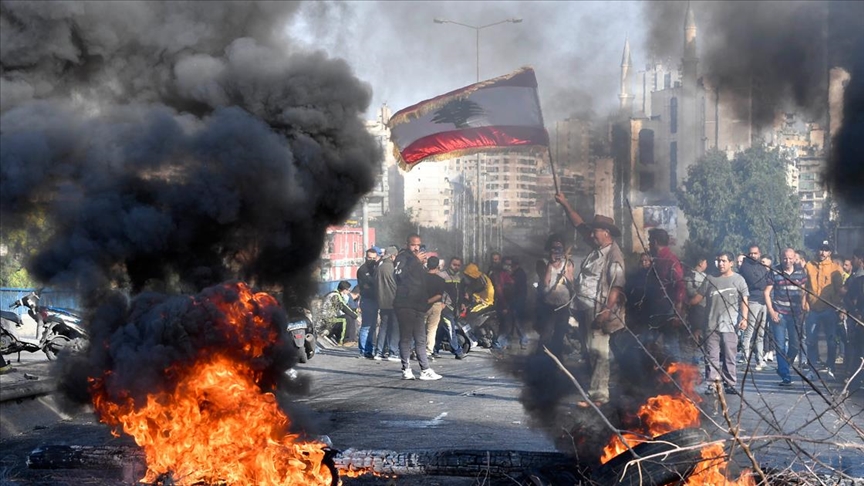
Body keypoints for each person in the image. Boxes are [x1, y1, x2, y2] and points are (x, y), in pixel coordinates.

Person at [554, 193, 627, 407]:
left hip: (599, 311)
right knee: (589, 351)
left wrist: (606, 312)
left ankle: (599, 397)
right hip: (584, 308)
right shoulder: (598, 248)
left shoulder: (614, 256)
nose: (591, 234)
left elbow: (616, 286)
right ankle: (595, 392)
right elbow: (580, 225)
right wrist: (565, 203)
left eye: (595, 231)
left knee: (599, 352)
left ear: (606, 233)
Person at [690, 251, 749, 396]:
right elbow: (698, 298)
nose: (720, 264)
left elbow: (744, 301)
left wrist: (744, 318)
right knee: (712, 356)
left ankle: (730, 384)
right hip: (711, 325)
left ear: (731, 263)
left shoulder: (738, 280)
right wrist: (682, 303)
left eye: (723, 261)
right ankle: (712, 384)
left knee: (729, 355)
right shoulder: (710, 279)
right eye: (718, 261)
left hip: (730, 325)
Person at [393, 234, 442, 381]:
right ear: (407, 244)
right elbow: (399, 275)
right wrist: (415, 261)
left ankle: (425, 369)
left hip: (418, 305)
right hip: (405, 304)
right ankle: (406, 368)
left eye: (418, 245)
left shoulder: (419, 262)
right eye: (413, 245)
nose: (416, 248)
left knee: (421, 338)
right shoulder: (402, 258)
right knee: (406, 337)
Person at [764, 248, 809, 386]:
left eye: (790, 258)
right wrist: (771, 311)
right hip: (780, 313)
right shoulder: (775, 271)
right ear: (781, 258)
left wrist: (803, 305)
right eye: (785, 258)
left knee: (795, 344)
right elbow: (767, 293)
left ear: (794, 258)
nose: (787, 261)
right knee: (780, 344)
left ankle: (785, 365)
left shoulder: (801, 272)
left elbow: (804, 290)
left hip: (795, 314)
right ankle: (785, 375)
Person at [803, 240, 845, 378]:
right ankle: (812, 368)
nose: (823, 252)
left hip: (829, 309)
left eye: (826, 250)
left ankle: (830, 367)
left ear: (830, 252)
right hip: (813, 309)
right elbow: (804, 286)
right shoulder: (809, 266)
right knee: (811, 340)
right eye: (821, 249)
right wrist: (805, 302)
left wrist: (837, 305)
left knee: (831, 340)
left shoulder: (835, 268)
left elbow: (839, 290)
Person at [644, 229, 686, 360]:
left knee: (670, 344)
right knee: (649, 344)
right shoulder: (656, 260)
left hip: (667, 310)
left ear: (655, 242)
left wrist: (677, 312)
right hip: (654, 309)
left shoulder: (671, 260)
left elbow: (680, 285)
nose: (649, 244)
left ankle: (677, 370)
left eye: (650, 241)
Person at [536, 234, 576, 358]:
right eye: (554, 248)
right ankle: (541, 355)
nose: (556, 251)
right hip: (549, 303)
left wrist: (566, 276)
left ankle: (557, 356)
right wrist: (551, 264)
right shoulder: (545, 263)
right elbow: (545, 282)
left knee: (560, 331)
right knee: (546, 331)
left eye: (559, 248)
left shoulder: (568, 264)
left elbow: (572, 284)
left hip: (563, 303)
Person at [738, 244, 771, 370]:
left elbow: (767, 280)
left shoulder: (761, 266)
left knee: (761, 333)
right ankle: (745, 359)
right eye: (751, 253)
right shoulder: (745, 267)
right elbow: (756, 282)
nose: (752, 255)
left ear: (759, 254)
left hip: (763, 302)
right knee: (749, 332)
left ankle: (760, 360)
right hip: (752, 301)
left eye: (755, 253)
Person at [842, 248, 864, 392]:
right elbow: (849, 299)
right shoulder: (858, 282)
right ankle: (855, 382)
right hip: (860, 323)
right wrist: (856, 313)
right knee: (859, 352)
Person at [374, 245, 401, 361]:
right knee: (395, 328)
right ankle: (393, 352)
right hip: (393, 301)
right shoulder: (393, 268)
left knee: (383, 327)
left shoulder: (379, 268)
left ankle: (378, 352)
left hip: (382, 302)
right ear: (393, 256)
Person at [685, 256, 709, 364]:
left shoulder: (705, 276)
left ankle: (700, 354)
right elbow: (689, 290)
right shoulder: (691, 276)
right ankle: (695, 355)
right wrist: (699, 295)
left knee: (702, 331)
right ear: (701, 263)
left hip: (704, 307)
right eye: (705, 262)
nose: (706, 265)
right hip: (695, 308)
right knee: (696, 331)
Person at [357, 248, 380, 359]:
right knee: (366, 326)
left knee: (373, 327)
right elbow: (367, 284)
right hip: (367, 300)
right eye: (369, 258)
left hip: (375, 300)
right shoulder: (362, 270)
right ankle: (363, 350)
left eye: (374, 258)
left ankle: (369, 349)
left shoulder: (376, 268)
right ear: (365, 257)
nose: (372, 260)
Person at [319, 281, 359, 345]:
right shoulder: (335, 295)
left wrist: (356, 310)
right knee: (346, 319)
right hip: (327, 319)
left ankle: (351, 339)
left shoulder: (337, 295)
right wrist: (356, 316)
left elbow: (346, 307)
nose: (349, 292)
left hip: (332, 317)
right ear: (344, 290)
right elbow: (343, 307)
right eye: (348, 290)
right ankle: (343, 341)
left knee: (350, 316)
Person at [423, 256, 446, 360]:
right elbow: (439, 295)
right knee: (432, 329)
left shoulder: (421, 278)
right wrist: (430, 301)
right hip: (436, 305)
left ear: (427, 265)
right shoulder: (440, 280)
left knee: (420, 328)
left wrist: (424, 301)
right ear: (437, 266)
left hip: (421, 305)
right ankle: (428, 351)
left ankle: (417, 349)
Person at [625, 253, 653, 333]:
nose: (643, 263)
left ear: (650, 262)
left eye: (646, 260)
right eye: (642, 261)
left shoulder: (652, 275)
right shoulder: (636, 275)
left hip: (648, 306)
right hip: (636, 305)